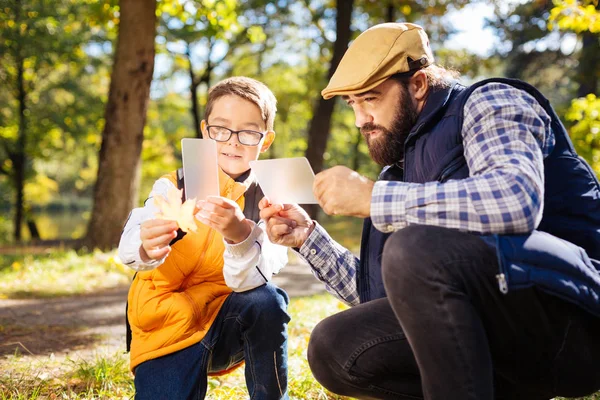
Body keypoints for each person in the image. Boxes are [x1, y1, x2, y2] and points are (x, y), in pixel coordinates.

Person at [259, 22, 600, 400]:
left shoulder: (492, 102)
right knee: (335, 345)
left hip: (572, 322)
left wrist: (374, 198)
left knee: (415, 247)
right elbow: (385, 295)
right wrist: (307, 238)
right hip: (499, 343)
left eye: (370, 98)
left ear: (418, 83)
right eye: (353, 104)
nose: (360, 120)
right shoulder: (400, 169)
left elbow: (514, 200)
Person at [118, 76, 290, 400]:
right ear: (205, 130)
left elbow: (258, 279)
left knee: (269, 299)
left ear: (265, 140)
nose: (233, 142)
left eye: (248, 132)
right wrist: (144, 245)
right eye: (221, 129)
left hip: (226, 322)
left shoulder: (270, 202)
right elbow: (130, 245)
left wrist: (240, 236)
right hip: (165, 326)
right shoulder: (175, 184)